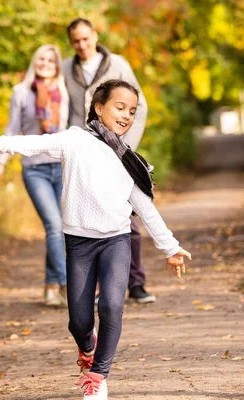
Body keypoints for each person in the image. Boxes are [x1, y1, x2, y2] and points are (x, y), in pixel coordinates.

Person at [0, 79, 192, 400]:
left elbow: (144, 207)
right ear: (99, 107)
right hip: (79, 243)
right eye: (120, 107)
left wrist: (170, 247)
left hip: (116, 240)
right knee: (79, 320)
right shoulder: (74, 140)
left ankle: (98, 376)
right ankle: (88, 349)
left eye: (132, 110)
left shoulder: (127, 159)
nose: (127, 115)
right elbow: (38, 143)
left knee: (113, 306)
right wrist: (2, 143)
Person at [63, 18, 155, 304]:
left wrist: (125, 147)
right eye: (76, 41)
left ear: (95, 36)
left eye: (85, 39)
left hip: (117, 150)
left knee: (127, 217)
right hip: (84, 153)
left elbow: (140, 106)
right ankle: (97, 288)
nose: (82, 45)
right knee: (89, 218)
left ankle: (136, 283)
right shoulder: (67, 69)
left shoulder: (117, 64)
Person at [0, 44, 69, 307]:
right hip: (34, 169)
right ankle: (70, 284)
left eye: (50, 60)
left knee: (61, 228)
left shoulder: (64, 92)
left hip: (62, 166)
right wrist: (0, 162)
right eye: (41, 59)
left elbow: (71, 131)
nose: (45, 63)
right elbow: (12, 129)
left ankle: (50, 287)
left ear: (57, 65)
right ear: (35, 62)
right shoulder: (21, 92)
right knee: (54, 227)